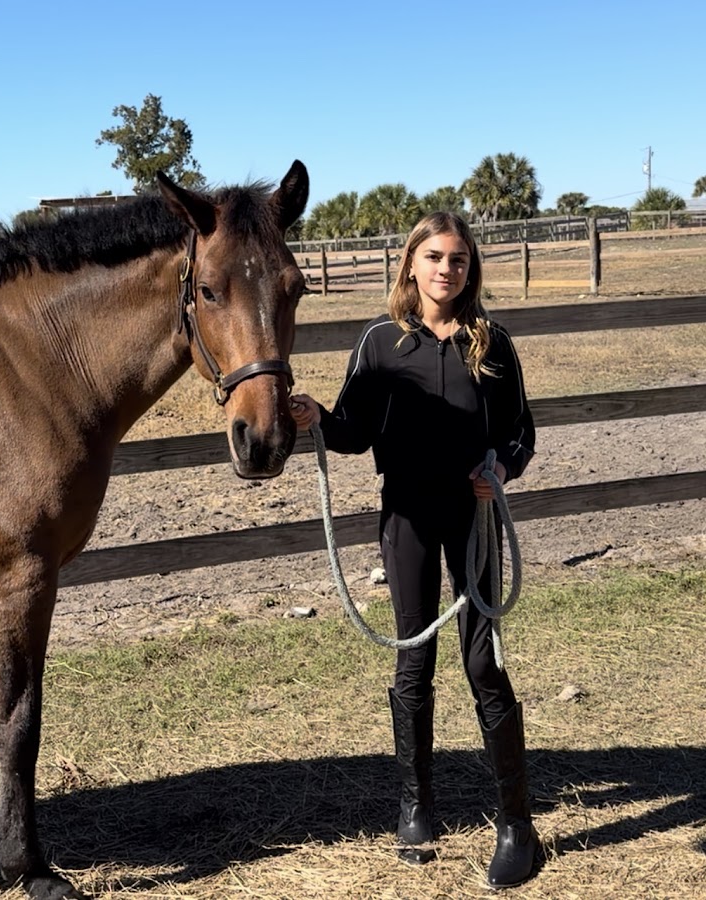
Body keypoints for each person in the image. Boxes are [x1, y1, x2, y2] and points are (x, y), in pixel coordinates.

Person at [290, 211, 538, 889]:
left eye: (458, 259)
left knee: (483, 662)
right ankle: (415, 804)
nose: (446, 269)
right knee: (413, 657)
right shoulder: (380, 342)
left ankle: (517, 825)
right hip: (406, 516)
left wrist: (500, 468)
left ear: (470, 268)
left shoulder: (492, 342)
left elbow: (520, 432)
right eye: (434, 257)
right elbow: (353, 430)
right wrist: (318, 418)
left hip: (474, 516)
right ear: (410, 263)